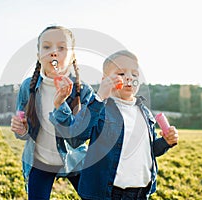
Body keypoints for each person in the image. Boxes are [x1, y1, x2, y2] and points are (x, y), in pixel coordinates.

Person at [50, 50, 179, 200]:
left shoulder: (144, 112)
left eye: (134, 74)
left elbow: (148, 151)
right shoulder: (99, 108)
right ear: (105, 79)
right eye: (121, 73)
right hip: (108, 193)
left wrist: (165, 142)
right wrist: (99, 97)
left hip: (141, 193)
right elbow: (76, 138)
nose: (129, 77)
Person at [10, 25, 94, 200]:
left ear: (72, 57)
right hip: (40, 162)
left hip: (76, 160)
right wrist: (21, 130)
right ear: (39, 55)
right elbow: (24, 135)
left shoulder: (83, 90)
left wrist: (61, 103)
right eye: (47, 47)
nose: (53, 52)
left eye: (61, 48)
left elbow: (78, 137)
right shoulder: (28, 87)